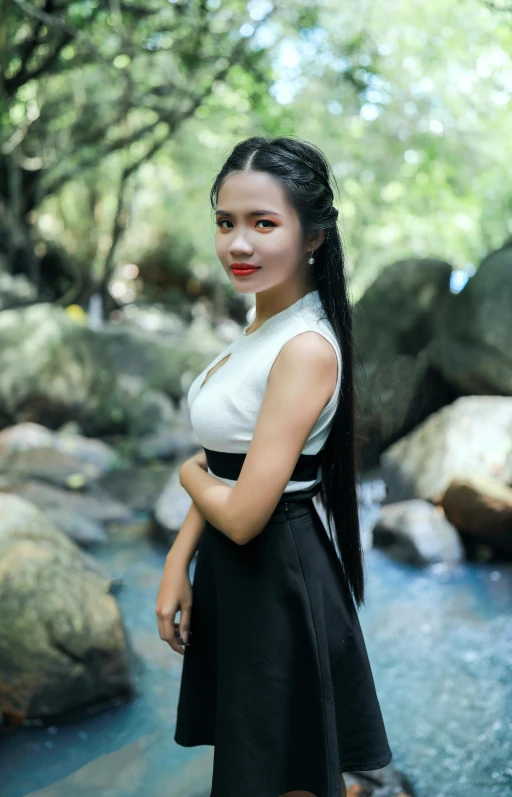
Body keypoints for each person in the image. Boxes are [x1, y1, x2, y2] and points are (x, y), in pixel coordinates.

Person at [155, 135, 392, 797]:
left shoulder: (305, 346)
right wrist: (179, 560)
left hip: (274, 575)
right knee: (262, 764)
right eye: (226, 222)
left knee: (275, 772)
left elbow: (240, 510)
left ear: (313, 236)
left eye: (263, 223)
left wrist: (184, 475)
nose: (238, 243)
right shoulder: (264, 327)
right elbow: (231, 460)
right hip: (241, 576)